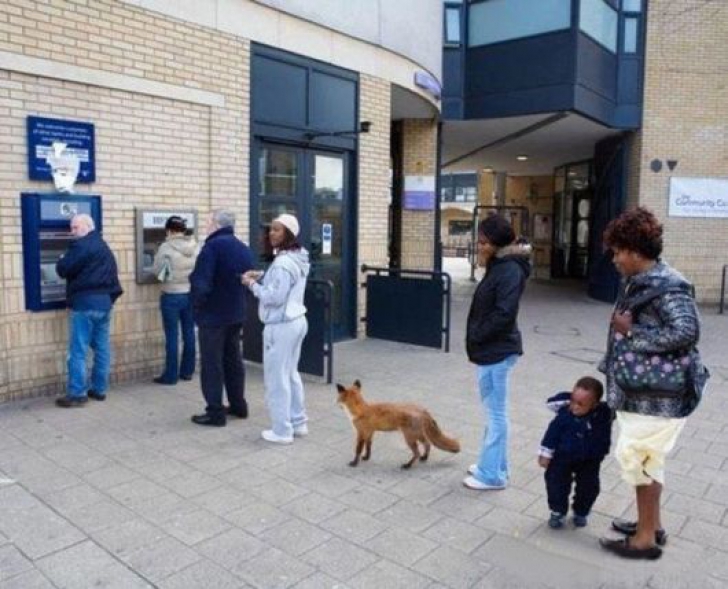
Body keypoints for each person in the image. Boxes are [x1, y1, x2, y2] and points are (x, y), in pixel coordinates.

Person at [598, 206, 706, 560]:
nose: (614, 259)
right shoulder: (644, 280)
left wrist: (632, 332)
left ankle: (644, 539)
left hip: (656, 398)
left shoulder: (667, 285)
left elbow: (687, 331)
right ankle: (651, 524)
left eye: (616, 251)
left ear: (633, 251)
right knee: (649, 461)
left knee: (637, 459)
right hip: (646, 394)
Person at [463, 214, 531, 490]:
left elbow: (504, 313)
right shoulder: (500, 266)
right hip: (491, 350)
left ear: (495, 243)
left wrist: (478, 336)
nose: (479, 246)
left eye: (483, 242)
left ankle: (491, 475)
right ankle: (494, 466)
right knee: (494, 413)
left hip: (496, 352)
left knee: (496, 415)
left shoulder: (509, 271)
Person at [242, 214, 310, 444]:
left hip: (281, 325)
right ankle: (298, 422)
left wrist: (252, 284)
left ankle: (281, 430)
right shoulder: (298, 257)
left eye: (277, 230)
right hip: (297, 320)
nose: (272, 233)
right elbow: (285, 280)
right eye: (270, 229)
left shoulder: (281, 263)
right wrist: (262, 275)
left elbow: (274, 297)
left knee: (276, 378)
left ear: (288, 233)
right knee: (291, 373)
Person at [189, 210, 254, 426]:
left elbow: (201, 283)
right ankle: (238, 405)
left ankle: (215, 412)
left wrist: (196, 308)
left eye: (208, 222)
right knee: (233, 360)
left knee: (212, 364)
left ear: (216, 224)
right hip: (236, 314)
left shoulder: (211, 247)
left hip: (213, 317)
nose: (206, 226)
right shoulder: (243, 247)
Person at [55, 213, 123, 407]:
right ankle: (99, 390)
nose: (72, 231)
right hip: (104, 304)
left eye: (75, 227)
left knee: (78, 350)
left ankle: (77, 394)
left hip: (85, 304)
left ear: (87, 226)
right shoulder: (103, 246)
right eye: (72, 227)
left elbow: (63, 269)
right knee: (101, 348)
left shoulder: (81, 246)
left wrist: (61, 259)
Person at [538, 377, 612, 529]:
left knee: (589, 487)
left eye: (581, 404)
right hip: (562, 456)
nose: (574, 407)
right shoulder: (564, 415)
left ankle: (581, 511)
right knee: (556, 483)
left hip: (590, 458)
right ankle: (557, 511)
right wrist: (545, 454)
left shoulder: (603, 414)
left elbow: (619, 406)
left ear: (595, 404)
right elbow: (551, 434)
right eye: (572, 401)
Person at [151, 215, 199, 385]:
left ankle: (171, 376)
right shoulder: (195, 246)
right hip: (190, 294)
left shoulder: (165, 247)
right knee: (189, 334)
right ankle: (187, 372)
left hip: (171, 295)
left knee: (172, 336)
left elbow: (157, 272)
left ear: (169, 230)